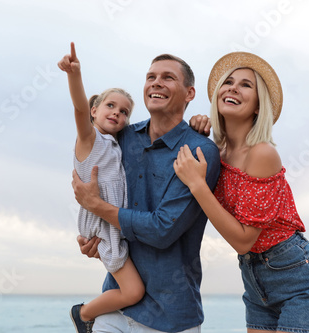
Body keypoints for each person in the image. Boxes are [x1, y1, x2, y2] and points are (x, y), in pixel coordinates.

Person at [173, 52, 309, 333]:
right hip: (254, 281)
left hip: (300, 282)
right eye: (228, 82)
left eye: (245, 85)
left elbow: (243, 241)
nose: (233, 88)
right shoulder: (216, 153)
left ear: (257, 106)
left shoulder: (262, 153)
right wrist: (195, 134)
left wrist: (198, 185)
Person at [72, 53, 221, 332]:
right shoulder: (123, 136)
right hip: (114, 305)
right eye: (151, 77)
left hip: (168, 316)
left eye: (168, 77)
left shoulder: (200, 151)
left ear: (190, 93)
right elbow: (96, 168)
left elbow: (162, 230)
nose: (156, 83)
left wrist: (96, 206)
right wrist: (94, 239)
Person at [58, 42, 145, 333]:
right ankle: (82, 314)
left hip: (113, 222)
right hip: (102, 227)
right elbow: (79, 108)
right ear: (95, 111)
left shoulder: (115, 145)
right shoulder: (89, 140)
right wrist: (74, 75)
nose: (117, 113)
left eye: (124, 112)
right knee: (133, 292)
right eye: (110, 106)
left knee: (132, 289)